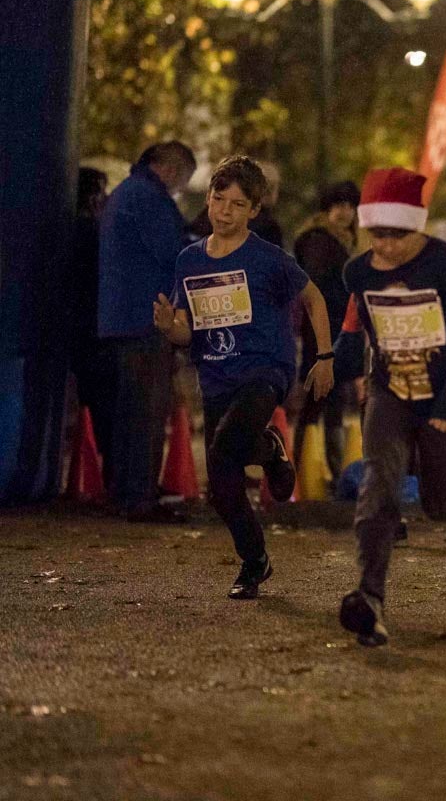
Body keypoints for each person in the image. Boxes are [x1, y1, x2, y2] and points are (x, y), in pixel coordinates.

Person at [153, 155, 335, 598]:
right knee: (222, 486)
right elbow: (184, 328)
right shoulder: (189, 260)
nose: (225, 210)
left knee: (226, 443)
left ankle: (266, 448)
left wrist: (325, 357)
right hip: (216, 377)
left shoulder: (268, 257)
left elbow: (314, 300)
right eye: (219, 199)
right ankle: (255, 560)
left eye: (238, 204)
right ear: (209, 199)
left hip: (265, 370)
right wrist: (167, 327)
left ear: (254, 210)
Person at [333, 167, 446, 646]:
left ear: (416, 228)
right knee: (380, 482)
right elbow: (359, 331)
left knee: (440, 507)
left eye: (396, 236)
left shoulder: (443, 264)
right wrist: (329, 361)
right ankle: (370, 597)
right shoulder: (356, 272)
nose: (386, 247)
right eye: (376, 235)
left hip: (445, 395)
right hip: (389, 391)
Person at [98, 141, 195, 522]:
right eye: (182, 182)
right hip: (146, 319)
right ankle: (139, 497)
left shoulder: (125, 193)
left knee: (129, 411)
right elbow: (174, 254)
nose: (179, 190)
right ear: (171, 170)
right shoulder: (150, 199)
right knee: (148, 412)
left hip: (120, 318)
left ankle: (124, 491)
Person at [292, 180, 360, 483]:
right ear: (327, 208)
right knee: (318, 398)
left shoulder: (345, 240)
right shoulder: (318, 240)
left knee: (333, 399)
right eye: (339, 205)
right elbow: (317, 287)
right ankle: (302, 469)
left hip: (339, 330)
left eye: (350, 205)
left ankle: (332, 470)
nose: (345, 212)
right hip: (322, 331)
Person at [69, 168, 113, 451]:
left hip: (76, 325)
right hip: (94, 327)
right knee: (102, 401)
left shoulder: (68, 229)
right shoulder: (93, 233)